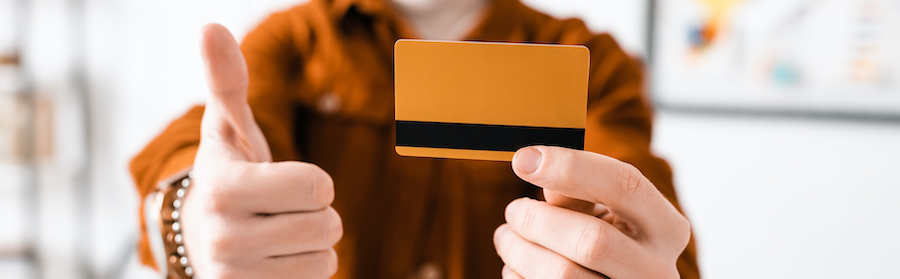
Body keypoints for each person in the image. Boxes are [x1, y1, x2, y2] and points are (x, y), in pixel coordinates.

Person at [130, 0, 701, 278]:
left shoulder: (590, 63)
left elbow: (649, 214)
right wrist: (191, 221)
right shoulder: (296, 40)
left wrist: (636, 258)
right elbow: (210, 143)